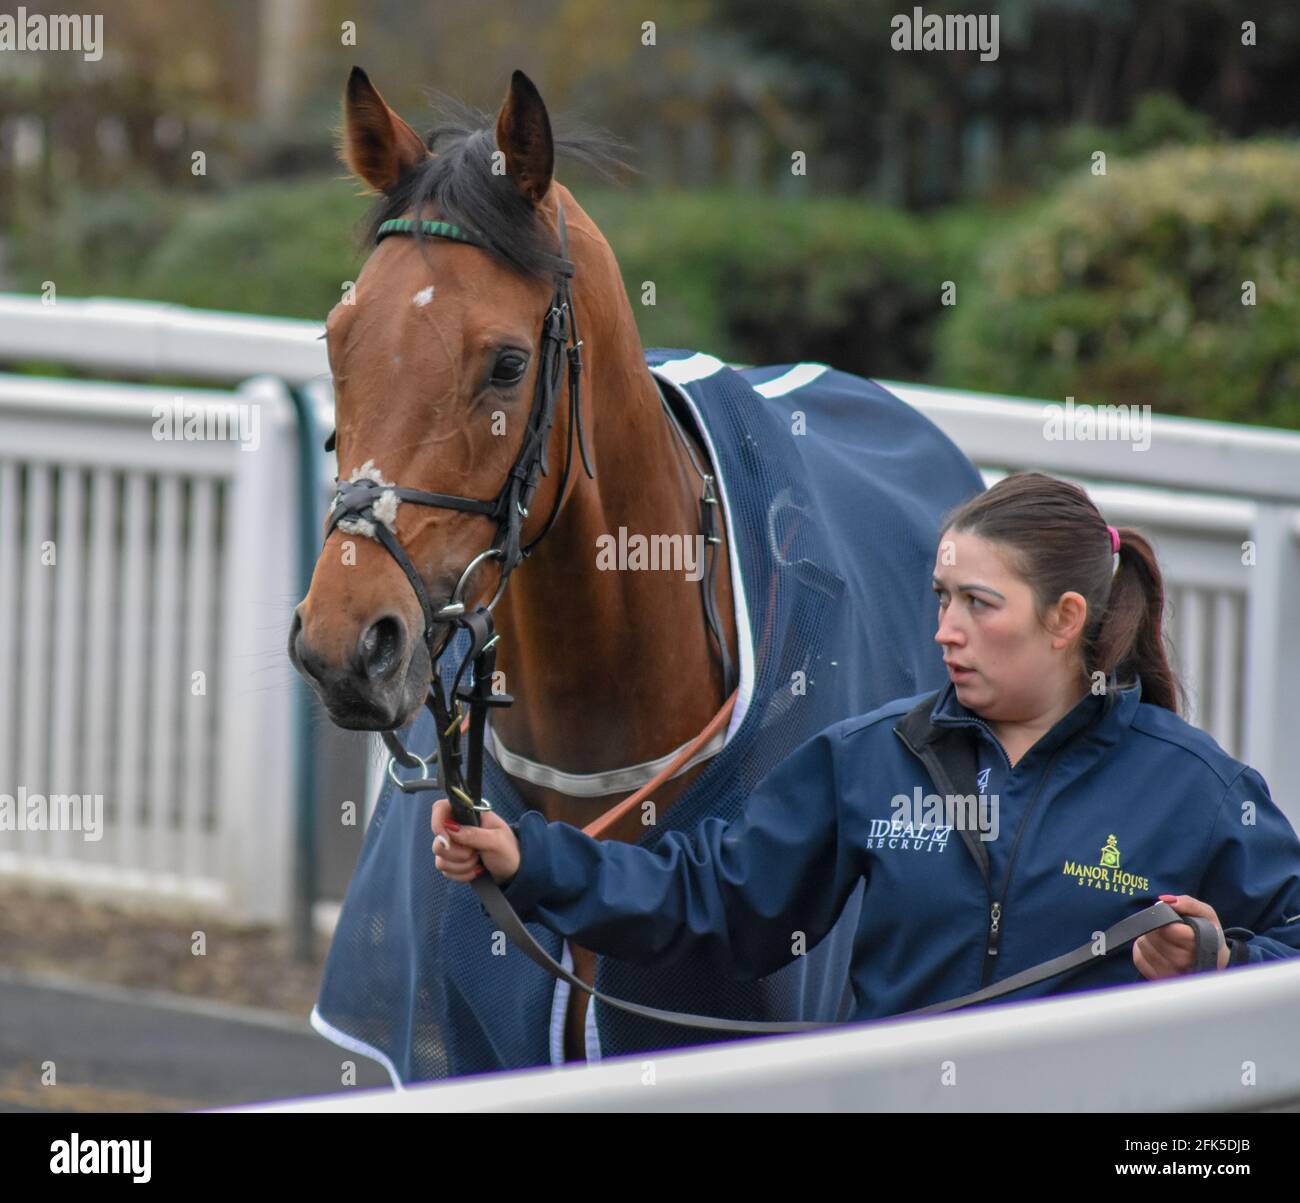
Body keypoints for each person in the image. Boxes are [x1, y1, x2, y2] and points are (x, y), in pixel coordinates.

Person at [432, 472, 1300, 1018]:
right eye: (939, 598)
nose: (945, 632)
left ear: (1065, 620)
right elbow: (711, 899)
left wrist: (1218, 955)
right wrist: (528, 859)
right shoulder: (871, 760)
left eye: (978, 604)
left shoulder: (1196, 786)